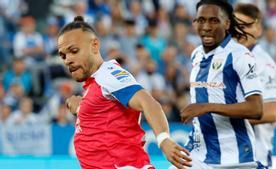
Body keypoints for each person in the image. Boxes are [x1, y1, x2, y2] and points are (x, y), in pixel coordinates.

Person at [57, 16, 192, 169]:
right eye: (63, 55)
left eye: (74, 51)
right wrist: (80, 110)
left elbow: (148, 102)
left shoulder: (109, 75)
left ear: (94, 45)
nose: (67, 59)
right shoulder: (95, 84)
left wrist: (164, 140)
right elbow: (105, 118)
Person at [178, 0, 263, 168]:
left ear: (227, 23)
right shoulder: (196, 55)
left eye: (214, 20)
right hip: (199, 154)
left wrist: (207, 107)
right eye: (201, 20)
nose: (207, 27)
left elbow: (256, 109)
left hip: (234, 158)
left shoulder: (239, 55)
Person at [234, 3, 276, 168]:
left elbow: (270, 112)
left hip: (254, 156)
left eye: (246, 26)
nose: (241, 31)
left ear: (258, 29)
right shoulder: (230, 58)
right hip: (228, 154)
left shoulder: (263, 63)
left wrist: (226, 117)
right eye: (237, 25)